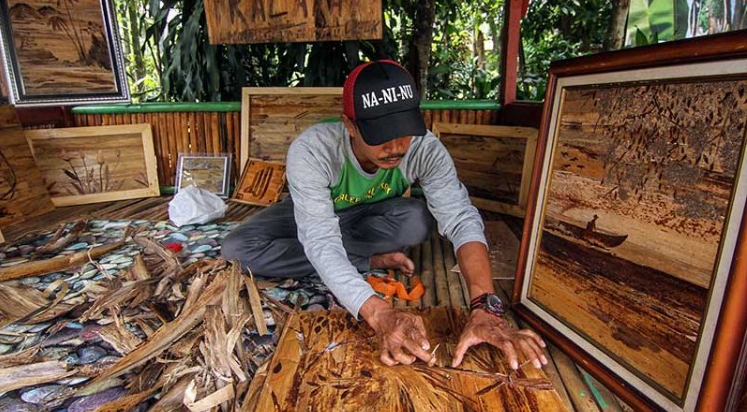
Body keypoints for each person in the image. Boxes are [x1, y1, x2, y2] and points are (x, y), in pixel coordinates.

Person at [222, 60, 547, 370]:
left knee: (417, 221)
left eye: (404, 130)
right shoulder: (312, 151)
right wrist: (379, 313)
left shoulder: (424, 148)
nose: (396, 146)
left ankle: (356, 256)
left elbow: (460, 217)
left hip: (374, 214)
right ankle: (371, 260)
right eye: (380, 135)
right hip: (316, 212)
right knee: (237, 249)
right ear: (349, 125)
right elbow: (320, 237)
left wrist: (484, 305)